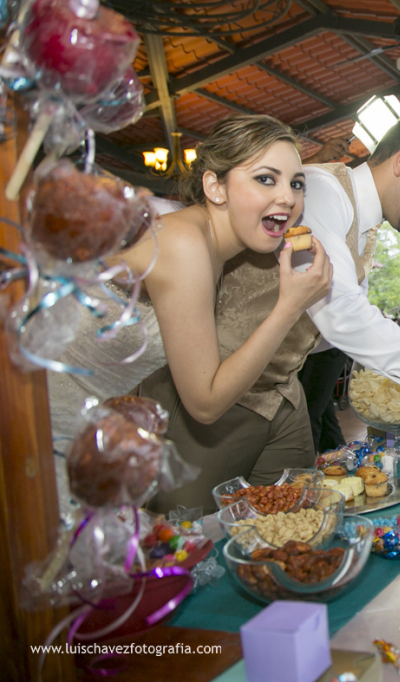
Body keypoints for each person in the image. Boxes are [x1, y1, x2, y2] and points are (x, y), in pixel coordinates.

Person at [140, 114, 400, 510]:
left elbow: (334, 325)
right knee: (198, 531)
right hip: (219, 404)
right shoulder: (323, 192)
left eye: (294, 183)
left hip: (283, 395)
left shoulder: (359, 219)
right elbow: (340, 313)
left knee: (300, 524)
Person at [48, 114, 332, 509]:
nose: (288, 197)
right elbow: (205, 403)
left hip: (95, 420)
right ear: (216, 187)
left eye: (296, 183)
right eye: (266, 179)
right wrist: (289, 306)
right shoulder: (184, 243)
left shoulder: (215, 251)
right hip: (44, 413)